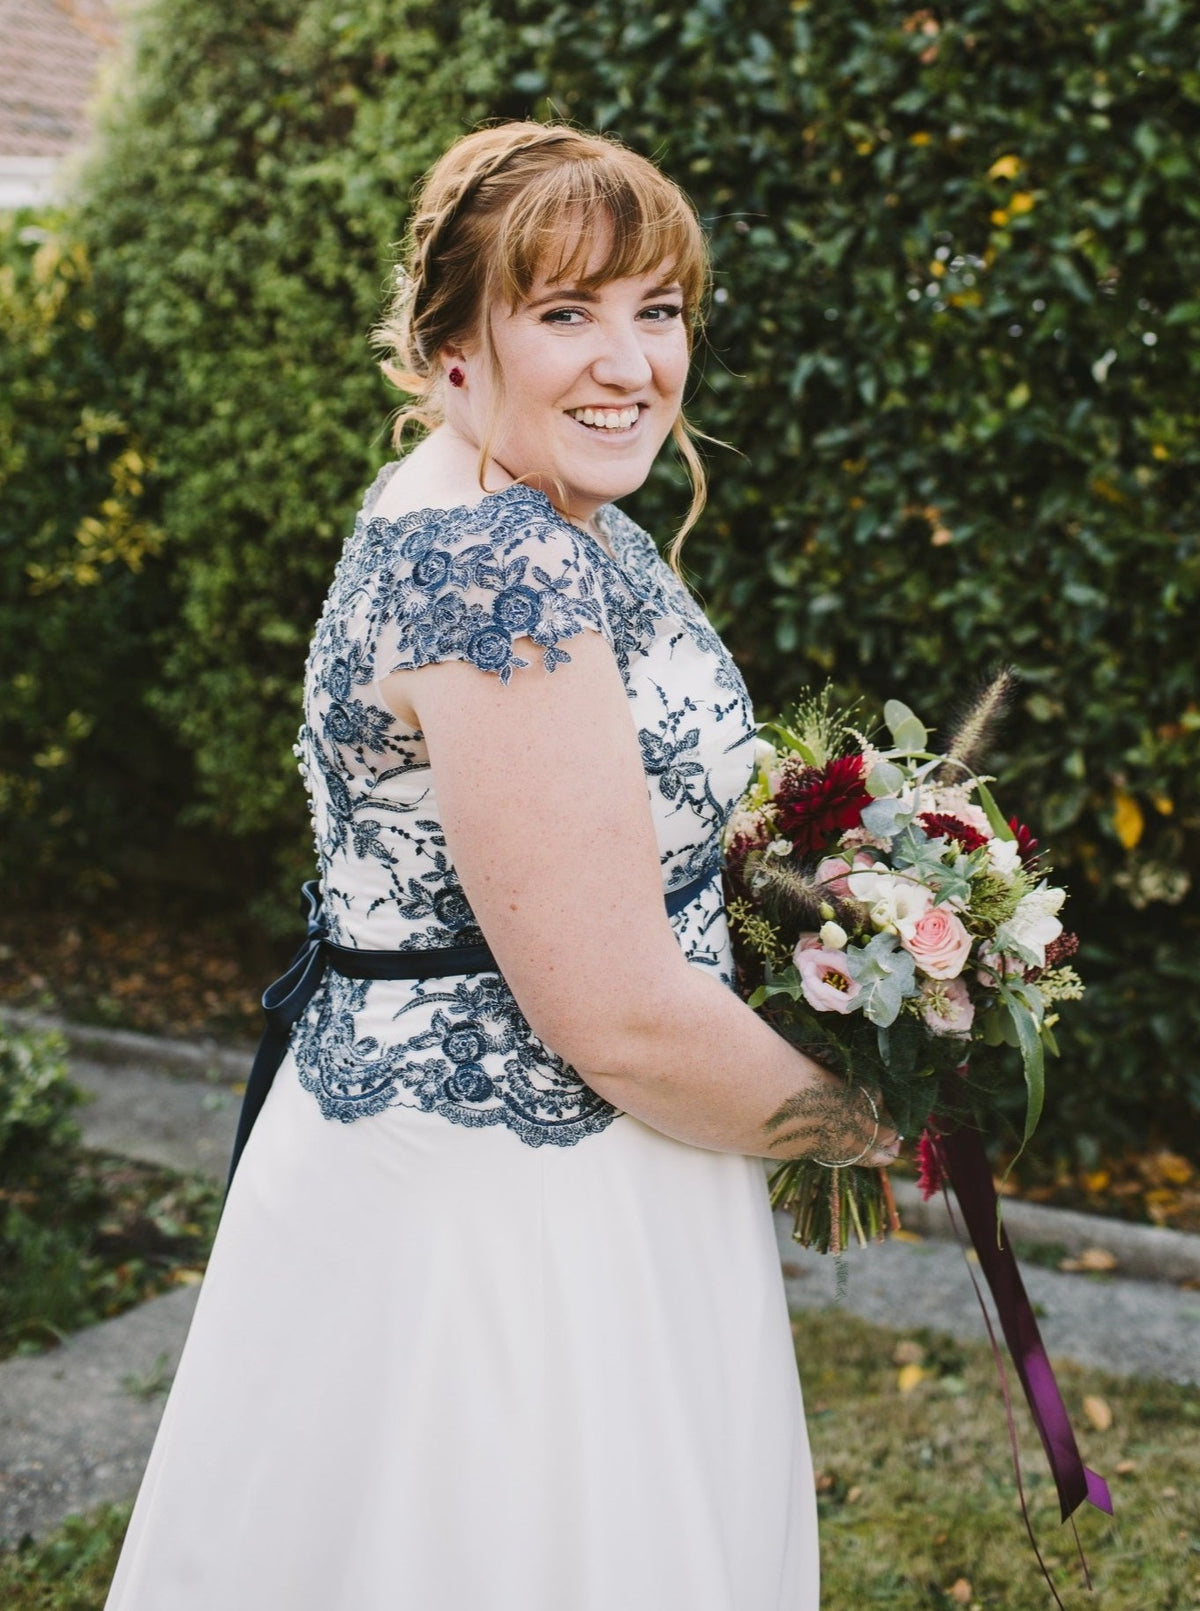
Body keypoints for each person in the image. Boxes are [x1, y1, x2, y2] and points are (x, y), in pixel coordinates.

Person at [104, 121, 900, 1611]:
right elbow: (621, 1019)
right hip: (509, 1232)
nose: (630, 364)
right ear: (452, 348)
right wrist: (879, 1122)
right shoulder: (497, 563)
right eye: (566, 313)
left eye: (658, 310)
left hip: (499, 1171)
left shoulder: (506, 505)